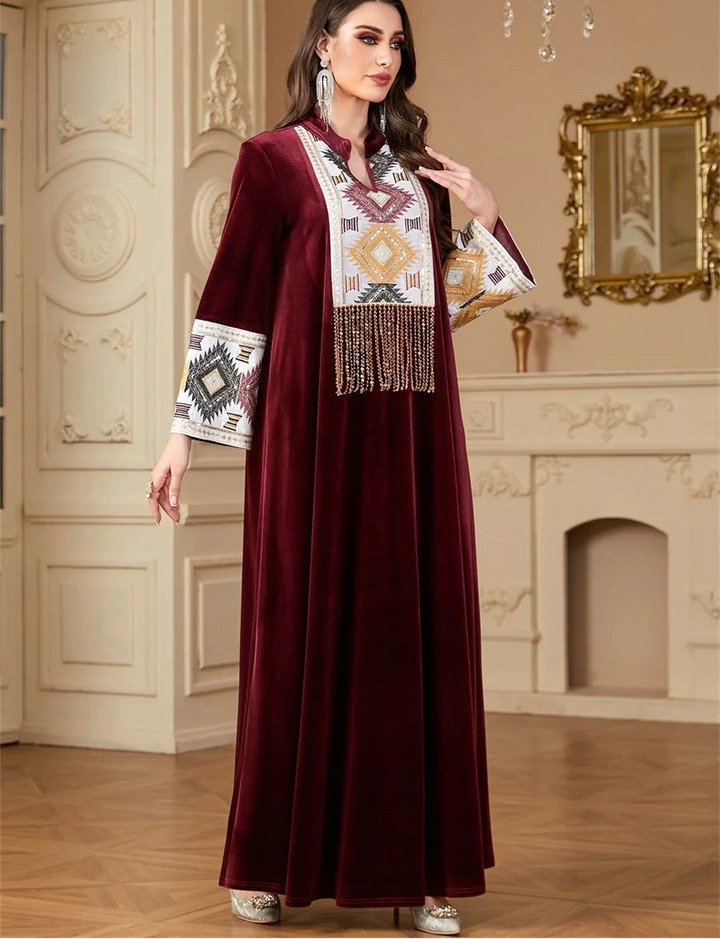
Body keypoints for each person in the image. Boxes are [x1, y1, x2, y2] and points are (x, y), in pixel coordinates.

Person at [146, 0, 535, 934]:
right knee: (297, 634)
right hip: (309, 435)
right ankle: (272, 862)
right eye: (367, 37)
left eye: (396, 42)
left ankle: (426, 867)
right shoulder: (273, 162)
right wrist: (182, 437)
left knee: (417, 637)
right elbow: (234, 298)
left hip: (412, 437)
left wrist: (483, 213)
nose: (385, 56)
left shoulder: (420, 180)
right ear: (323, 46)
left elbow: (452, 303)